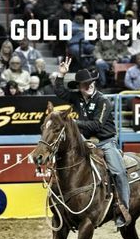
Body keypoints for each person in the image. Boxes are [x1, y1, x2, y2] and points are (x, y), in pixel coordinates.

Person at [54, 57, 131, 228]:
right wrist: (61, 75)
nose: (88, 86)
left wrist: (74, 124)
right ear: (79, 87)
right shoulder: (77, 98)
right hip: (85, 141)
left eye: (90, 83)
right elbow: (59, 92)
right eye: (84, 84)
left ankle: (123, 210)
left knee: (119, 172)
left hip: (106, 141)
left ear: (93, 83)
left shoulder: (103, 100)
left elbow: (97, 124)